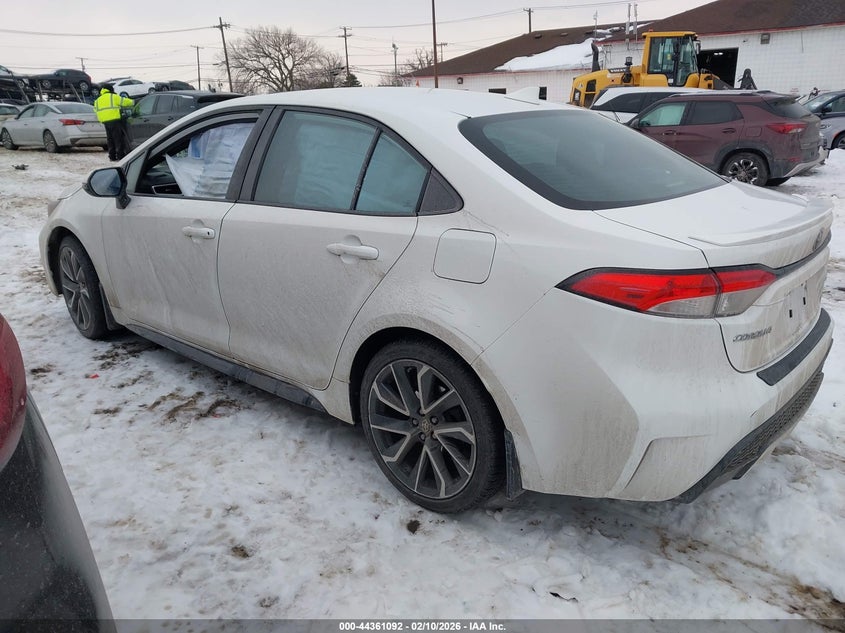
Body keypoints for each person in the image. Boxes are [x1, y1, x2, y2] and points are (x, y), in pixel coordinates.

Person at [93, 84, 134, 161]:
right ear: (110, 89)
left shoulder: (98, 100)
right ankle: (120, 156)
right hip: (115, 120)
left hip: (105, 122)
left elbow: (95, 110)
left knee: (110, 139)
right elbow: (125, 102)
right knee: (118, 139)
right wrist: (134, 101)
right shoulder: (113, 97)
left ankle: (112, 156)